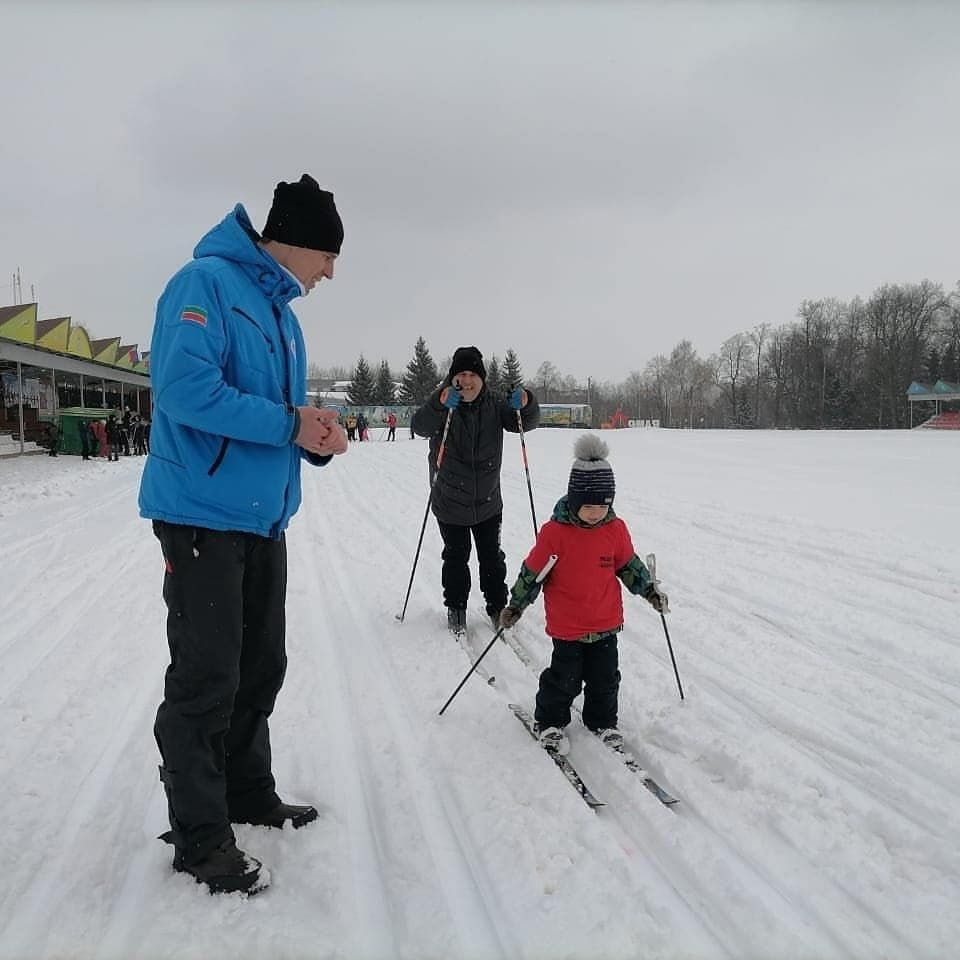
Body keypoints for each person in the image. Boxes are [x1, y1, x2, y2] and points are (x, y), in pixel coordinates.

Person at [138, 173, 348, 896]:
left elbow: (269, 411)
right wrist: (290, 423)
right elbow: (185, 390)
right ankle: (199, 834)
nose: (331, 272)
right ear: (296, 241)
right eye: (328, 256)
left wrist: (312, 435)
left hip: (261, 518)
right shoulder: (204, 284)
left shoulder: (280, 313)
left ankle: (246, 791)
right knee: (207, 679)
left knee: (261, 666)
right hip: (201, 518)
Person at [498, 434, 668, 756]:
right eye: (588, 507)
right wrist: (516, 605)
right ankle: (550, 721)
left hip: (605, 622)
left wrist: (649, 590)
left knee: (605, 680)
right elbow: (532, 574)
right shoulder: (555, 534)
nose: (595, 513)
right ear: (574, 500)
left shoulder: (614, 530)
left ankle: (602, 722)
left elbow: (629, 565)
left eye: (602, 506)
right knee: (564, 680)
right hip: (568, 626)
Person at [411, 345, 539, 636]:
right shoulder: (445, 400)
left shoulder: (494, 404)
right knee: (456, 557)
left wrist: (527, 402)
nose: (467, 381)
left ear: (482, 378)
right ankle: (456, 609)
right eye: (461, 374)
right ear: (453, 378)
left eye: (473, 375)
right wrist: (439, 404)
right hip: (449, 499)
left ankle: (497, 607)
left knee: (491, 557)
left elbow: (524, 423)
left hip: (488, 501)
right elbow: (419, 426)